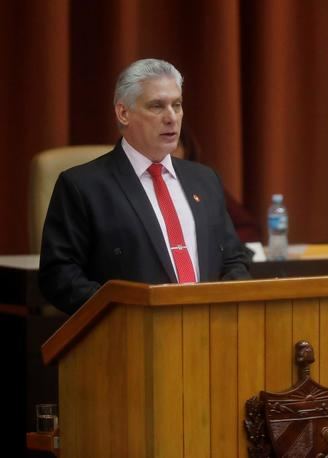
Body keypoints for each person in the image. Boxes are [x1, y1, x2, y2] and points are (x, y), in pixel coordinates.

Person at [39, 58, 251, 315]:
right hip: (129, 338)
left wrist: (219, 308)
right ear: (123, 113)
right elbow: (59, 276)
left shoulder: (205, 180)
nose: (171, 117)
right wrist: (125, 315)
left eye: (177, 105)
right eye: (157, 106)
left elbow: (234, 260)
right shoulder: (82, 186)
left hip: (207, 335)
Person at [173, 126, 261, 242]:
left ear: (186, 148)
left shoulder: (205, 183)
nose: (168, 151)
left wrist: (217, 247)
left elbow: (247, 228)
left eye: (174, 143)